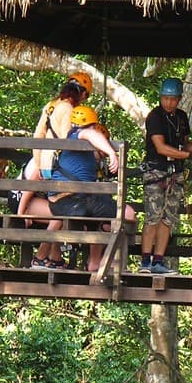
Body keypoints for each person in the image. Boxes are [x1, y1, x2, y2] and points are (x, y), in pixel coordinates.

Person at [15, 72, 94, 268]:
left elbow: (38, 136)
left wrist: (39, 159)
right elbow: (71, 138)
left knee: (65, 206)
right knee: (66, 205)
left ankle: (53, 257)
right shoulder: (67, 108)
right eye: (86, 96)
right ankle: (42, 255)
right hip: (58, 165)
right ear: (81, 93)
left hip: (46, 162)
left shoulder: (50, 105)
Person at [46, 105, 122, 272]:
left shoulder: (80, 150)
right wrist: (111, 153)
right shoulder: (79, 135)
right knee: (126, 214)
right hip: (69, 199)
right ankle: (114, 265)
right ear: (93, 126)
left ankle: (98, 263)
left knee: (102, 219)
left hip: (76, 199)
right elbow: (88, 133)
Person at [139, 77, 192, 275]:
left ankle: (158, 261)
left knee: (168, 219)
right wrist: (188, 155)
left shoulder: (181, 117)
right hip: (156, 171)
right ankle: (145, 261)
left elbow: (186, 142)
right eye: (165, 98)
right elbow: (161, 148)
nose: (168, 102)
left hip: (175, 173)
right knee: (153, 216)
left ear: (179, 99)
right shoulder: (155, 117)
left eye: (172, 99)